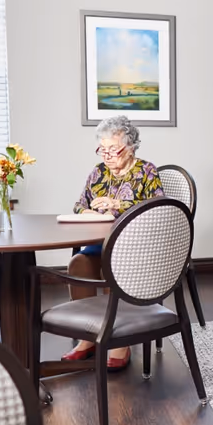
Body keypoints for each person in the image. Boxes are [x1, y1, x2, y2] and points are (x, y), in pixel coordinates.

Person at [62, 114, 164, 371]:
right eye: (102, 150)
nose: (106, 156)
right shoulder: (97, 173)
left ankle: (119, 341)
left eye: (113, 150)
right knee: (78, 264)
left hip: (136, 245)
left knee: (113, 265)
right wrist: (88, 213)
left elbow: (158, 208)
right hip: (102, 242)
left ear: (130, 147)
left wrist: (118, 205)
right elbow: (78, 205)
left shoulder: (146, 171)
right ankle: (88, 337)